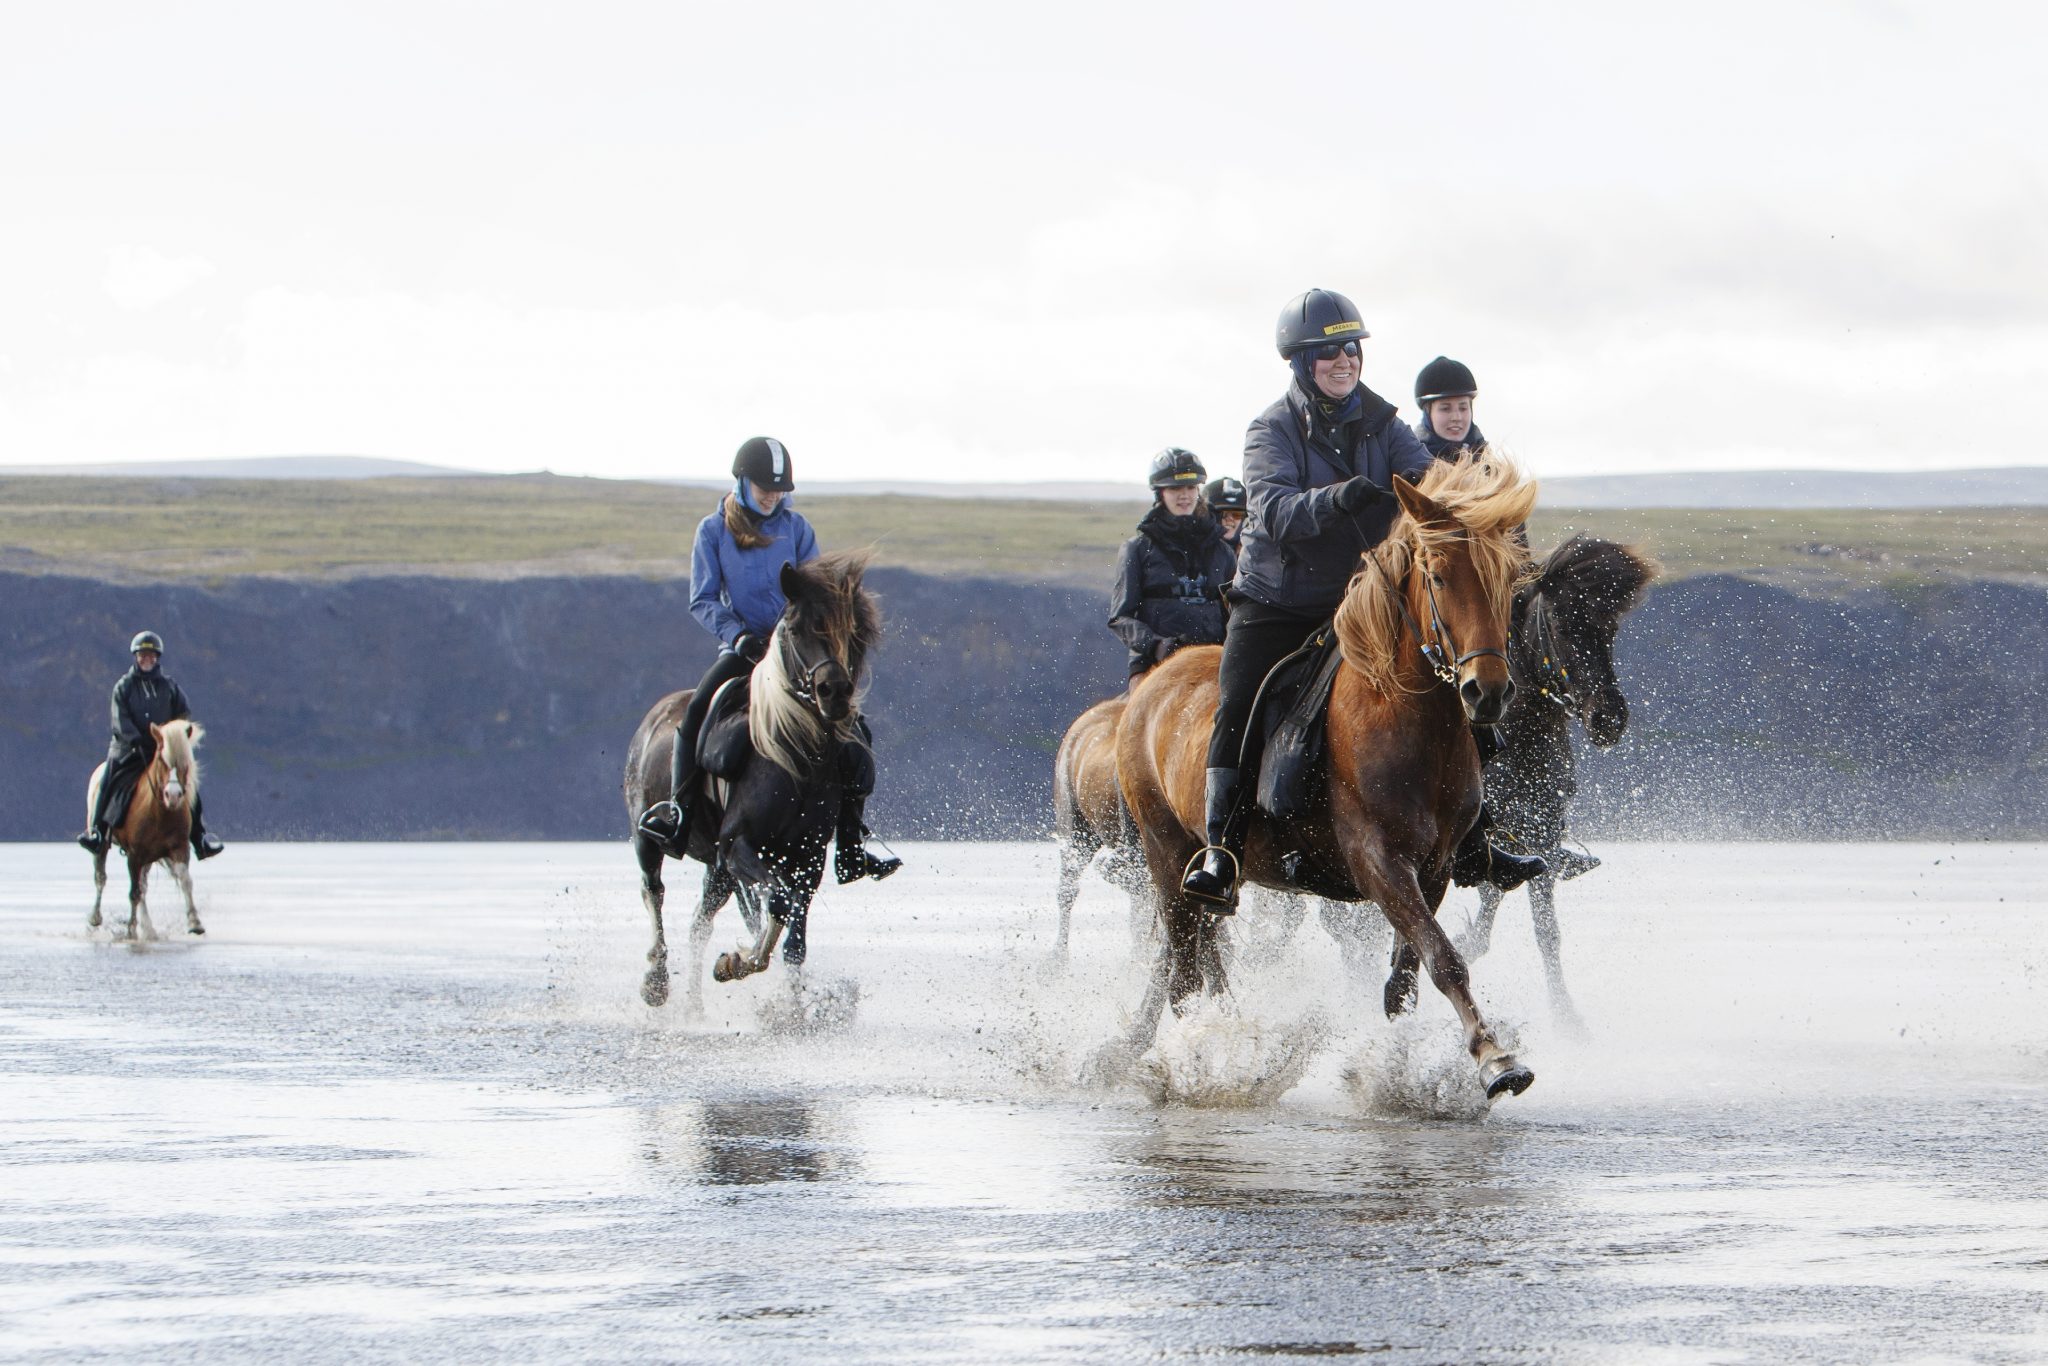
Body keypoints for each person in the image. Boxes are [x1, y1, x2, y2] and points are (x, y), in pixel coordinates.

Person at [1179, 290, 1545, 909]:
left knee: (1449, 679)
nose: (1345, 360)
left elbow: (1432, 479)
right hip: (1280, 601)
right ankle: (1222, 849)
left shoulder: (1385, 422)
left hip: (1364, 600)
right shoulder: (1270, 429)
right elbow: (1271, 510)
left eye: (1352, 348)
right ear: (1301, 363)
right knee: (1238, 704)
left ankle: (1476, 840)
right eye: (1329, 352)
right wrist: (1336, 498)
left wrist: (1481, 506)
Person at [637, 436, 898, 883]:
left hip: (795, 654)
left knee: (853, 729)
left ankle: (852, 843)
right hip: (742, 650)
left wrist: (807, 638)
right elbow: (701, 600)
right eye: (765, 487)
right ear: (742, 482)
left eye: (779, 488)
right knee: (697, 714)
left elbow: (814, 596)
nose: (773, 494)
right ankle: (677, 813)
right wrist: (736, 635)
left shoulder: (797, 529)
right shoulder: (712, 531)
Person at [78, 631, 225, 859]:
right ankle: (96, 832)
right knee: (108, 780)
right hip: (128, 750)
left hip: (163, 752)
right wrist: (136, 739)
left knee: (189, 788)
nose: (147, 659)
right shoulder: (123, 687)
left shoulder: (169, 687)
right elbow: (120, 719)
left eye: (151, 655)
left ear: (157, 657)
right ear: (136, 656)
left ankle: (200, 838)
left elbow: (183, 714)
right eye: (142, 654)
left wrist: (172, 737)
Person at [1107, 449, 1237, 680]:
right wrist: (1157, 645)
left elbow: (1234, 612)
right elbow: (1120, 618)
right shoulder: (1136, 549)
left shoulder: (1223, 552)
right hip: (1154, 665)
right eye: (1176, 488)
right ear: (1160, 493)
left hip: (1214, 661)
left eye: (1190, 488)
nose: (1184, 495)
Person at [1413, 355, 1485, 460]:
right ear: (1428, 413)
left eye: (1463, 408)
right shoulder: (1407, 466)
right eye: (1445, 409)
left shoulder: (1493, 469)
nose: (1457, 417)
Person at [1203, 475, 1248, 558]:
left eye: (1237, 514)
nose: (1230, 519)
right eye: (1221, 513)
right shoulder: (1192, 555)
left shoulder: (1255, 556)